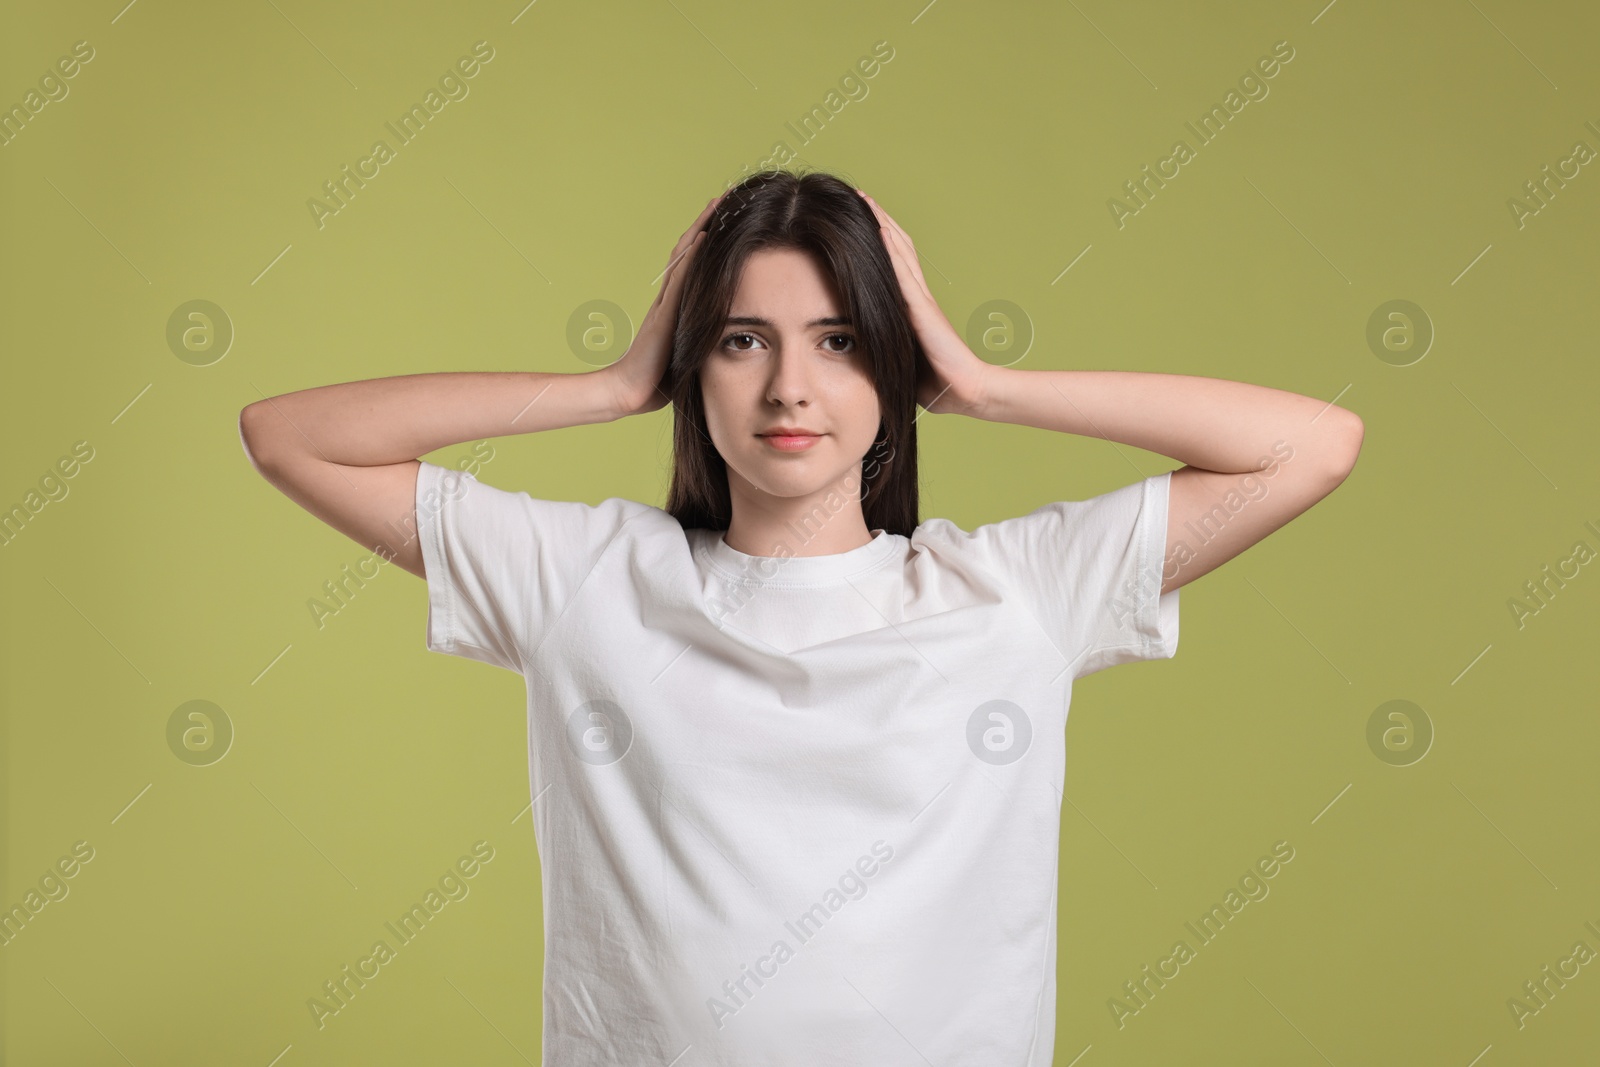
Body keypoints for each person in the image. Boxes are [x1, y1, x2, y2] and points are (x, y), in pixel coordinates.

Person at [239, 169, 1362, 1064]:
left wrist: (980, 381)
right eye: (740, 339)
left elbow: (1311, 445)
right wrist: (613, 383)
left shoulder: (1013, 593)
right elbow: (287, 435)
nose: (789, 386)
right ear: (699, 365)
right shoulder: (584, 579)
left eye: (839, 340)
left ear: (892, 362)